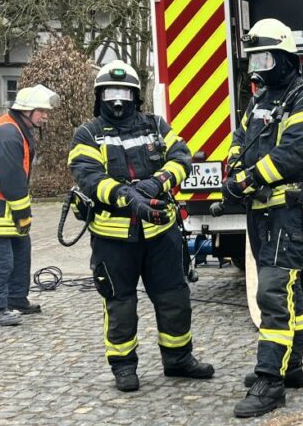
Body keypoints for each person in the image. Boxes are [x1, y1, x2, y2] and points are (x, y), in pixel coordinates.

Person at [67, 60, 214, 393]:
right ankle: (123, 366)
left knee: (174, 298)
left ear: (136, 95)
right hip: (113, 238)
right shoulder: (87, 134)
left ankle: (178, 359)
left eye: (125, 93)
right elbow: (89, 177)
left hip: (161, 233)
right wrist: (127, 197)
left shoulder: (155, 125)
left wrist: (156, 183)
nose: (118, 100)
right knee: (120, 303)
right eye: (110, 93)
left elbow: (181, 157)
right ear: (99, 97)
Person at [224, 18, 303, 418]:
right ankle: (292, 366)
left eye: (266, 58)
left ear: (286, 58)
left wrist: (249, 179)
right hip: (262, 210)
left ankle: (270, 380)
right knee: (287, 286)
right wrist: (235, 169)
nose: (260, 67)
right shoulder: (260, 100)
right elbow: (241, 139)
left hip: (290, 208)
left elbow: (295, 153)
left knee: (272, 290)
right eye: (255, 59)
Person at [0, 84, 60, 326]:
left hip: (0, 205)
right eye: (42, 111)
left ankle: (16, 299)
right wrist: (22, 212)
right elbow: (11, 178)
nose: (46, 117)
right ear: (26, 111)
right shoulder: (8, 134)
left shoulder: (16, 128)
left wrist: (21, 212)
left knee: (20, 252)